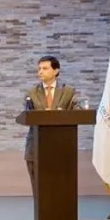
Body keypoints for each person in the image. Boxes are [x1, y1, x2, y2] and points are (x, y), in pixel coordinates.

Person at [23, 55, 80, 206]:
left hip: (61, 149)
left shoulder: (68, 92)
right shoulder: (32, 93)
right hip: (36, 148)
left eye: (45, 68)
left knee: (61, 193)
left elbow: (78, 112)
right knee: (40, 194)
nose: (40, 72)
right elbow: (27, 115)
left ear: (56, 70)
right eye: (39, 69)